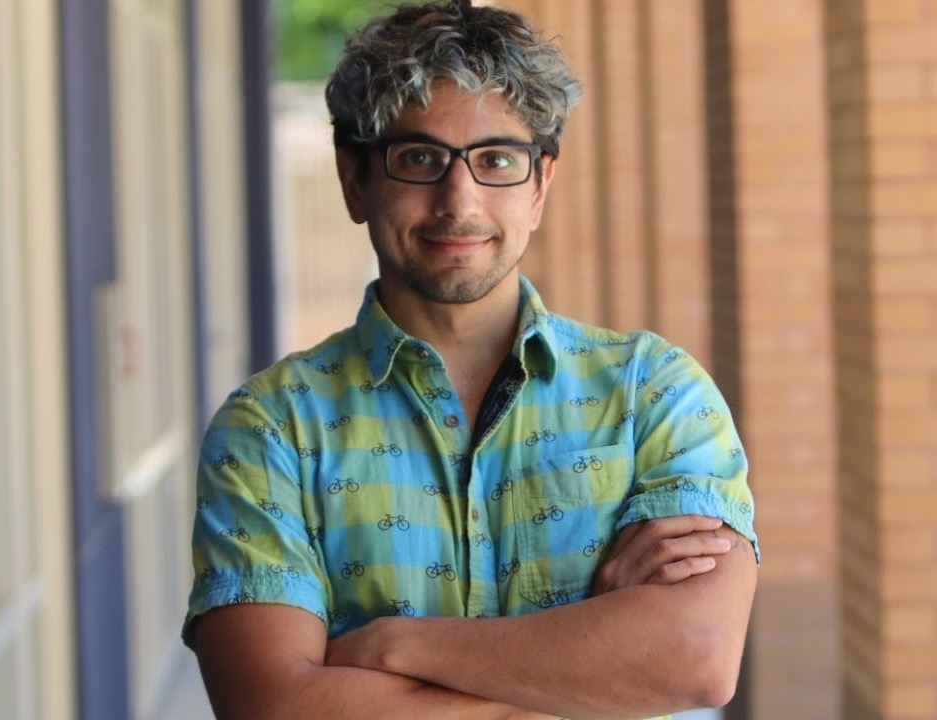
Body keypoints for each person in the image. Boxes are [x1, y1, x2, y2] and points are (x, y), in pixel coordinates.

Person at [184, 2, 758, 718]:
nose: (460, 201)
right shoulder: (272, 430)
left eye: (496, 160)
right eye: (420, 158)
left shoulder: (652, 395)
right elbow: (275, 706)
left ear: (541, 184)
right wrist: (592, 668)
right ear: (354, 180)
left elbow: (696, 657)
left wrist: (391, 647)